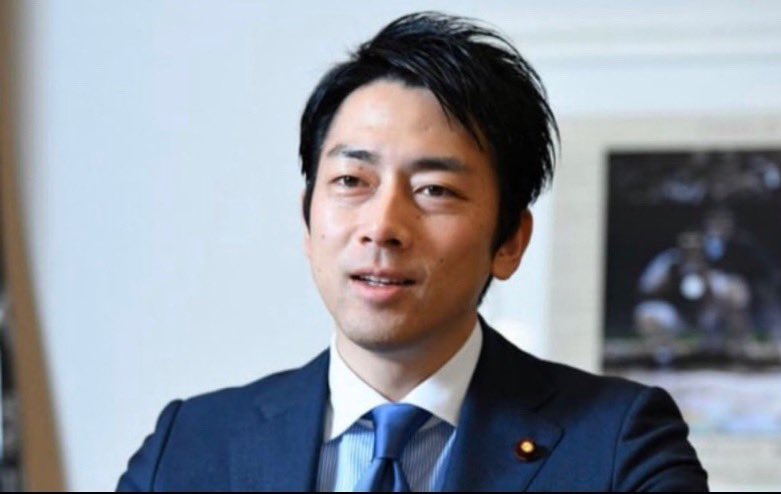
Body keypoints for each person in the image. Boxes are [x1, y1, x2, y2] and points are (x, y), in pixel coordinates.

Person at [117, 12, 707, 492]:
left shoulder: (620, 447)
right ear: (308, 218)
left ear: (509, 241)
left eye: (435, 190)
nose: (382, 227)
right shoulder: (189, 445)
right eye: (352, 181)